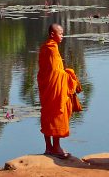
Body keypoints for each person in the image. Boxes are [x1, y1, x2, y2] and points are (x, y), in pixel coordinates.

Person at [37, 23, 81, 159]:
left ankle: (48, 147)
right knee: (57, 112)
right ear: (52, 34)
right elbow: (56, 72)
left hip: (47, 87)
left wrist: (64, 72)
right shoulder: (52, 49)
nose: (62, 36)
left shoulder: (44, 47)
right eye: (60, 33)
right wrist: (70, 74)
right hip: (54, 88)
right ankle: (56, 147)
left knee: (47, 114)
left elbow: (45, 71)